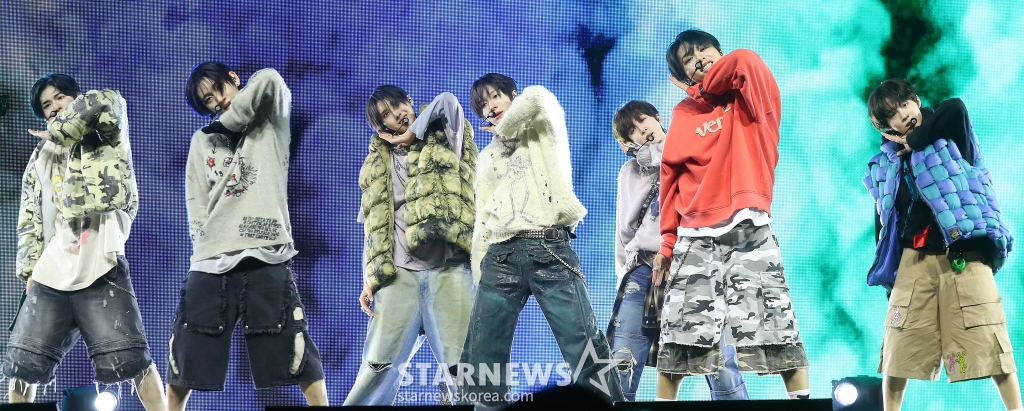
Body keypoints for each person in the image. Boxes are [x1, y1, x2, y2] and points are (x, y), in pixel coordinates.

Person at [652, 30, 810, 401]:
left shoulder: (750, 93)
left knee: (776, 327)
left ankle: (802, 404)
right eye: (688, 59)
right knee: (679, 338)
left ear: (719, 51)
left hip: (749, 227)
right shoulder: (682, 114)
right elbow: (670, 180)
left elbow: (744, 61)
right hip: (694, 236)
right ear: (682, 76)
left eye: (704, 50)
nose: (699, 59)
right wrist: (668, 241)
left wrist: (706, 85)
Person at [454, 73, 624, 410]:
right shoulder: (486, 157)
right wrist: (480, 271)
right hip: (500, 258)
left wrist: (506, 128)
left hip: (548, 249)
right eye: (483, 105)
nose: (490, 107)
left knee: (584, 344)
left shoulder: (542, 125)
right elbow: (482, 218)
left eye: (495, 97)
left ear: (511, 95)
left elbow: (536, 98)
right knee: (482, 353)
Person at [167, 62, 327, 409]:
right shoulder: (203, 139)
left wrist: (230, 120)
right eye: (207, 102)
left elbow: (269, 78)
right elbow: (196, 201)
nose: (216, 102)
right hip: (212, 257)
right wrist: (203, 242)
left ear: (234, 79)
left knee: (294, 347)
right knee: (186, 350)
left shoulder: (270, 119)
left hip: (265, 251)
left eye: (218, 91)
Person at [4, 73, 167, 410]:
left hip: (99, 261)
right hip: (52, 268)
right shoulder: (39, 158)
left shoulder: (102, 133)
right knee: (22, 366)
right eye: (46, 105)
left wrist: (64, 127)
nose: (53, 107)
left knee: (133, 360)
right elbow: (29, 218)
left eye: (60, 97)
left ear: (76, 97)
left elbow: (108, 101)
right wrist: (30, 269)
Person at [865, 78, 1020, 411]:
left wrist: (916, 140)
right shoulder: (884, 165)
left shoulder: (950, 136)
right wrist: (889, 274)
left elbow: (956, 107)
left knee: (991, 344)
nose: (903, 114)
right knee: (897, 352)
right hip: (913, 264)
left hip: (963, 257)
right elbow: (884, 224)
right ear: (885, 126)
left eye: (905, 104)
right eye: (892, 114)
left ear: (917, 100)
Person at [344, 86, 477, 405]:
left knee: (466, 370)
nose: (397, 115)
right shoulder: (376, 163)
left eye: (398, 105)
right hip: (398, 278)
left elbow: (448, 101)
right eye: (386, 116)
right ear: (381, 128)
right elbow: (373, 226)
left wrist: (411, 134)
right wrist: (369, 278)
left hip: (448, 270)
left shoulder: (445, 136)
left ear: (409, 102)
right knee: (377, 369)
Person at [609, 100, 747, 401]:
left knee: (720, 361)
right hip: (645, 268)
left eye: (643, 120)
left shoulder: (693, 153)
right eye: (632, 130)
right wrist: (624, 274)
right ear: (628, 141)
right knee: (621, 361)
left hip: (694, 263)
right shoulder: (630, 172)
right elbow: (624, 231)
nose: (642, 129)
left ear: (657, 118)